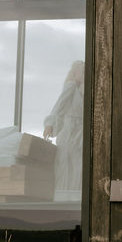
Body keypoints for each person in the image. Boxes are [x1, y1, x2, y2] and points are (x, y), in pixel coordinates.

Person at [43, 60, 84, 201]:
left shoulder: (84, 90)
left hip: (80, 130)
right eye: (81, 71)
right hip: (69, 130)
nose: (84, 74)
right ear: (74, 73)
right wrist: (50, 123)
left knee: (78, 166)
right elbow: (59, 106)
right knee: (64, 165)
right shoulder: (70, 86)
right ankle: (63, 199)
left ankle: (77, 199)